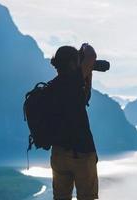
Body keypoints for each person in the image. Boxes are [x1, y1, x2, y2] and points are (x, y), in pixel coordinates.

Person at [49, 44, 98, 200]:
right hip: (81, 153)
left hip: (58, 154)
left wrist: (87, 77)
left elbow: (81, 100)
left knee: (61, 197)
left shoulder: (52, 87)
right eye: (78, 61)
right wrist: (85, 46)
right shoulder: (73, 82)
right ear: (71, 64)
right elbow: (91, 56)